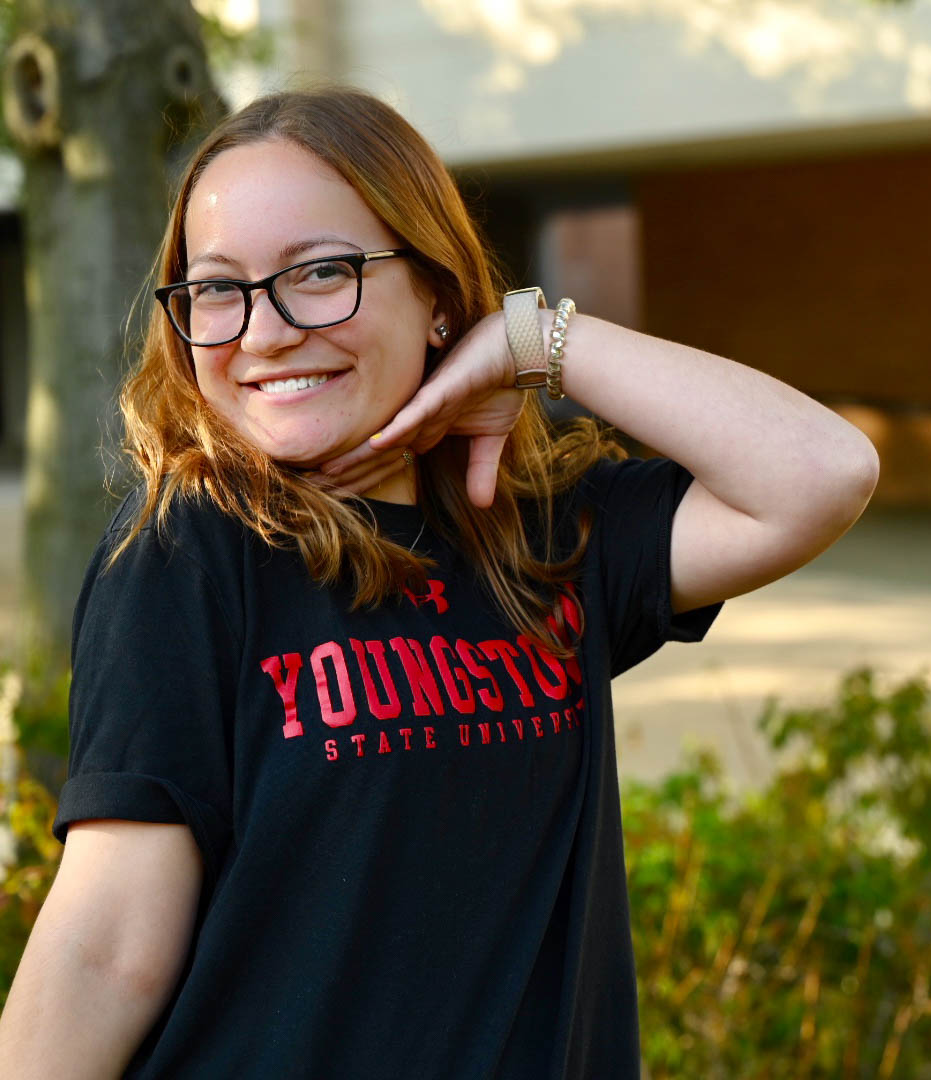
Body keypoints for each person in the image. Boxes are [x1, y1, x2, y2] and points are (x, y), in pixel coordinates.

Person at [0, 86, 879, 1078]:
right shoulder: (191, 545)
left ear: (439, 300)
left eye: (321, 272)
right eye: (216, 288)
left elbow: (820, 473)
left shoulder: (543, 529)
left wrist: (534, 341)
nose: (265, 330)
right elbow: (107, 944)